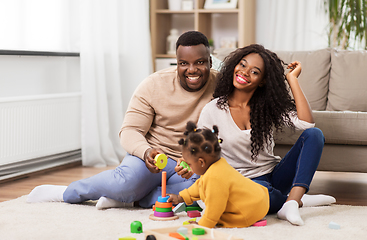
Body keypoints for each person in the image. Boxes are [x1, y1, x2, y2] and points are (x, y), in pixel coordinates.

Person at [26, 31, 218, 209]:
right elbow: (130, 131)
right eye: (184, 63)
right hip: (154, 157)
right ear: (176, 63)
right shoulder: (153, 85)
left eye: (199, 62)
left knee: (205, 188)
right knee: (126, 182)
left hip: (191, 165)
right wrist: (146, 152)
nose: (192, 70)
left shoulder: (222, 86)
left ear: (210, 61)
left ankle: (128, 197)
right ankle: (67, 192)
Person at [197, 44, 336, 226]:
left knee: (314, 135)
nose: (245, 72)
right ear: (234, 66)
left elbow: (307, 123)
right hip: (242, 185)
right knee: (249, 197)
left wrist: (292, 79)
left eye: (254, 72)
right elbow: (200, 151)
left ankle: (291, 202)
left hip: (273, 176)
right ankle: (295, 200)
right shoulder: (212, 110)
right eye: (243, 65)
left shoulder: (266, 107)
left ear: (262, 81)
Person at [167, 121, 269, 228]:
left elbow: (214, 208)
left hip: (251, 209)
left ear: (201, 162)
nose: (189, 167)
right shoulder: (217, 165)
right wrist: (180, 197)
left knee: (220, 215)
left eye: (189, 164)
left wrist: (203, 224)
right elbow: (200, 186)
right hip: (259, 196)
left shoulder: (214, 178)